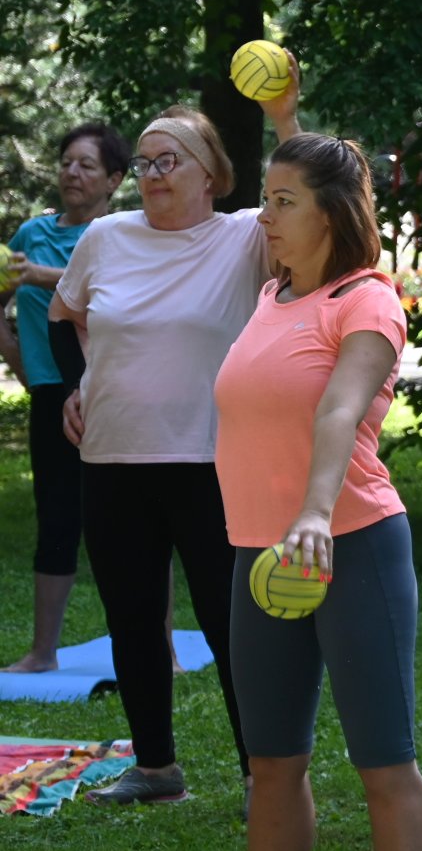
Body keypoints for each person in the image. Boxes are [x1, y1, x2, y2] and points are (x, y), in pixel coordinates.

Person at [177, 133, 422, 851]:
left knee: (384, 760)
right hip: (263, 556)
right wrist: (285, 116)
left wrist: (315, 515)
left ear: (331, 214)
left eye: (283, 201)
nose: (264, 215)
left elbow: (339, 409)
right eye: (266, 197)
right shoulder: (272, 293)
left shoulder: (367, 301)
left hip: (349, 543)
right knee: (272, 763)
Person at [55, 88, 303, 807]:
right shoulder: (106, 237)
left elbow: (317, 197)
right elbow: (62, 315)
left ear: (211, 174)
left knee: (234, 627)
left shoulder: (245, 236)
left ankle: (262, 775)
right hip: (113, 459)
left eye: (169, 160)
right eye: (143, 162)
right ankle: (157, 769)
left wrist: (284, 117)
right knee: (132, 621)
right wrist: (75, 386)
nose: (152, 173)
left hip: (212, 463)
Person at [1, 124, 128, 673]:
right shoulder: (31, 234)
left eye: (87, 165)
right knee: (56, 519)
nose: (72, 173)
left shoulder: (123, 235)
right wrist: (22, 365)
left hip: (116, 394)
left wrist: (38, 275)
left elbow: (109, 293)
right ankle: (42, 653)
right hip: (53, 395)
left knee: (131, 523)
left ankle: (164, 650)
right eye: (66, 162)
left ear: (114, 180)